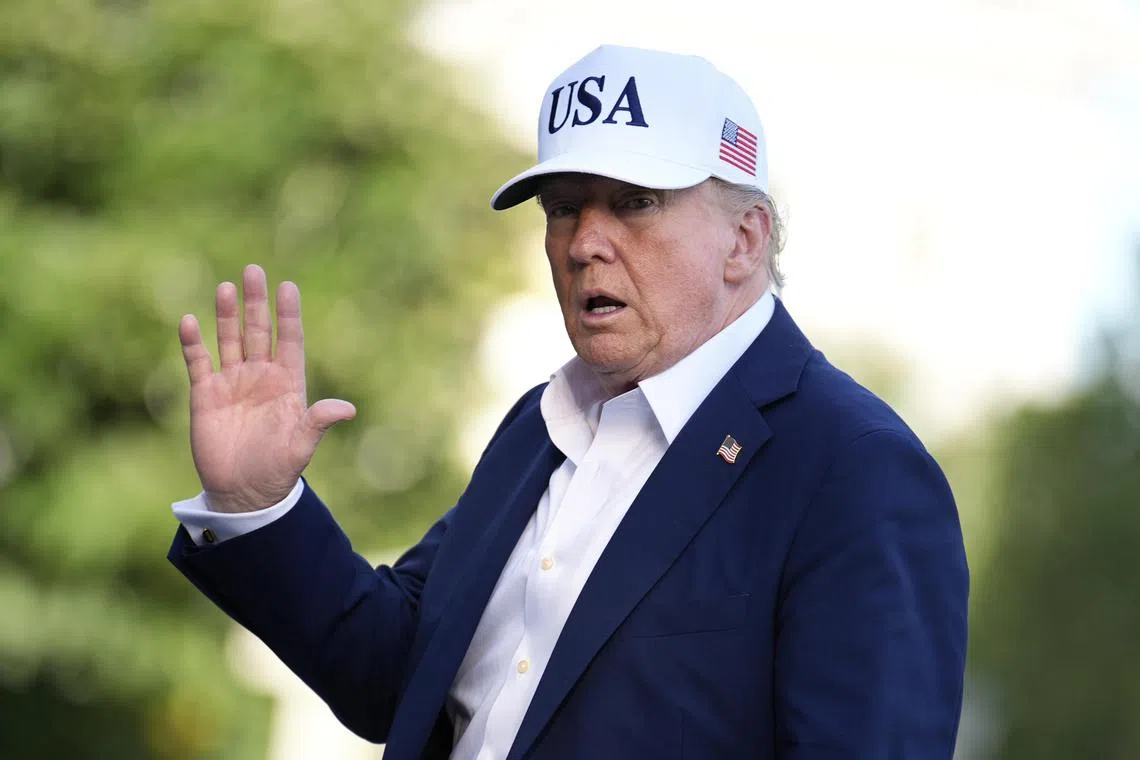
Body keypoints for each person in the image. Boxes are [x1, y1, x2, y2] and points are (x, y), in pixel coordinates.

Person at [169, 44, 969, 759]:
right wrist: (258, 504)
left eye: (634, 202)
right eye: (562, 207)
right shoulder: (538, 427)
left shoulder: (852, 466)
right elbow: (402, 677)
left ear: (746, 239)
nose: (585, 240)